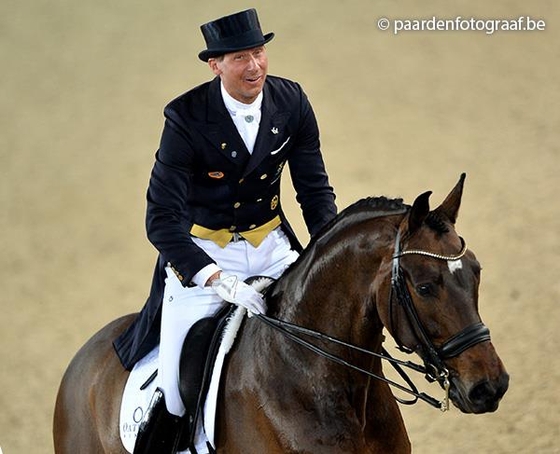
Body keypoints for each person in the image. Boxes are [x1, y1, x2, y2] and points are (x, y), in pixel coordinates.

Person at [113, 8, 337, 454]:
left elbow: (314, 192)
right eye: (239, 57)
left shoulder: (291, 102)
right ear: (215, 64)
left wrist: (328, 252)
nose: (253, 66)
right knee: (180, 384)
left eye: (258, 52)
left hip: (274, 248)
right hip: (205, 256)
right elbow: (161, 218)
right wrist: (216, 278)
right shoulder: (186, 118)